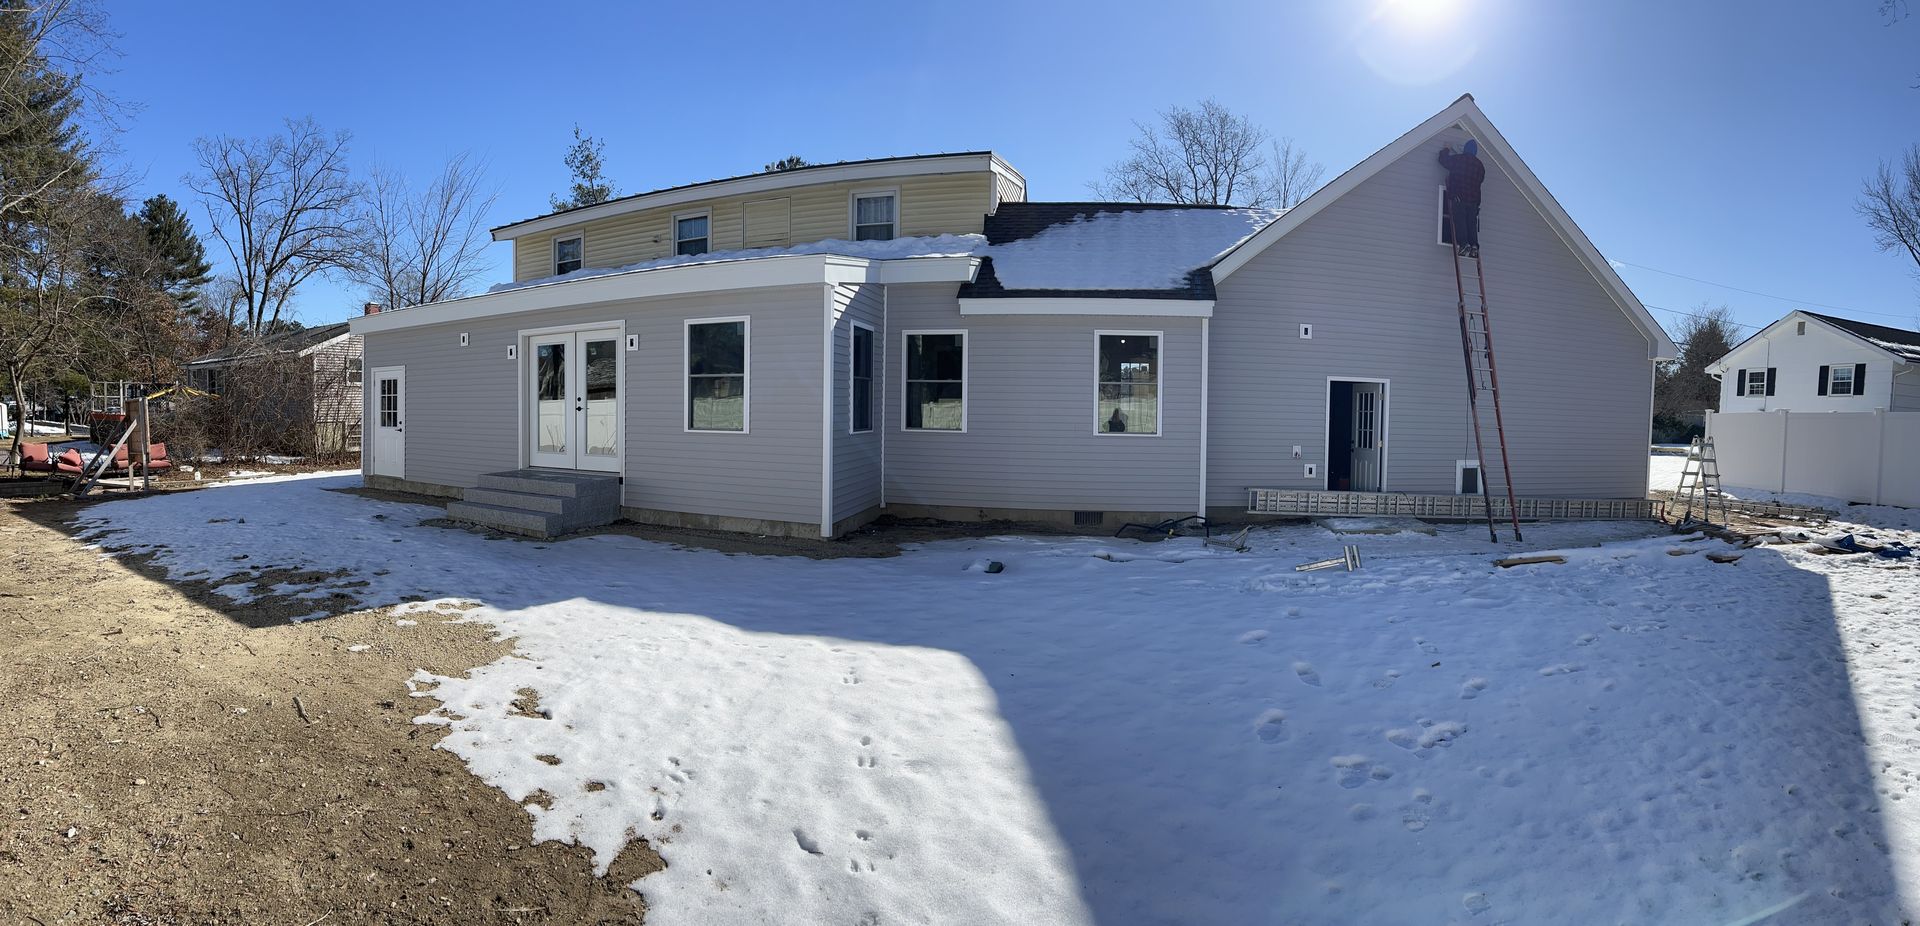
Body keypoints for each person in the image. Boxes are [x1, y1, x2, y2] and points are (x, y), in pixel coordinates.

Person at [1437, 139, 1485, 257]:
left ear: (1465, 150)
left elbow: (1444, 161)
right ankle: (1474, 246)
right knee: (1471, 224)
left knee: (1461, 222)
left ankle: (1464, 245)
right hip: (1474, 201)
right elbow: (1480, 180)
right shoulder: (1480, 166)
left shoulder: (1459, 159)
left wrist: (1446, 149)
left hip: (1459, 197)